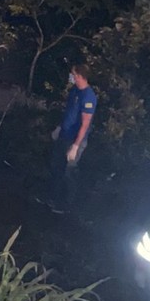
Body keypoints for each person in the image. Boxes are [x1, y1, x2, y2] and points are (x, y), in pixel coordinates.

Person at [47, 64, 97, 213]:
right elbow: (69, 113)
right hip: (64, 135)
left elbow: (85, 124)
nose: (71, 76)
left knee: (69, 172)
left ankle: (68, 205)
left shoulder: (89, 97)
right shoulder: (74, 90)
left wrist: (76, 145)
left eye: (73, 74)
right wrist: (59, 128)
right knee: (56, 167)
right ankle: (52, 199)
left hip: (74, 140)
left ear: (80, 76)